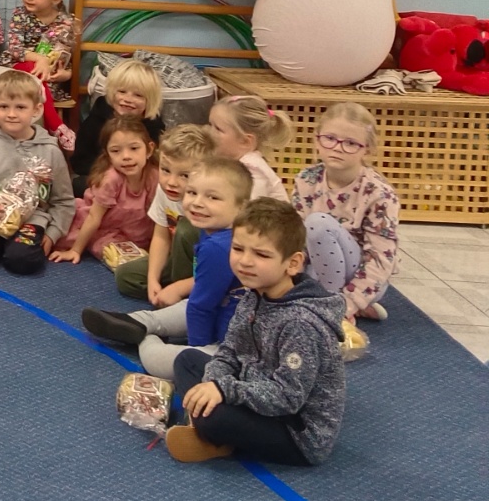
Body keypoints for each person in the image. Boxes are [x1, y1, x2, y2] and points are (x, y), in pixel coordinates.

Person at [168, 198, 347, 467]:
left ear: (292, 263)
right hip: (255, 389)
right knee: (187, 360)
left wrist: (224, 391)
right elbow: (229, 352)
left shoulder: (301, 324)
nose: (245, 262)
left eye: (261, 255)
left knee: (214, 416)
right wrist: (213, 384)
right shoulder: (254, 293)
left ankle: (210, 432)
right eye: (238, 248)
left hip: (294, 431)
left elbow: (288, 397)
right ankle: (207, 426)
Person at [83, 155, 251, 377]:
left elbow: (201, 307)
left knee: (157, 360)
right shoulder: (215, 230)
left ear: (241, 206)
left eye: (212, 197)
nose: (197, 202)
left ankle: (144, 334)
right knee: (185, 307)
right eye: (192, 192)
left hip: (232, 343)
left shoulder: (219, 247)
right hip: (220, 310)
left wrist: (195, 350)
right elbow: (202, 299)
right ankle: (138, 322)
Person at [0, 69, 74, 275]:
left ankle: (12, 247)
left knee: (23, 262)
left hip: (31, 220)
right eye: (3, 107)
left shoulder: (50, 151)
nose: (11, 114)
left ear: (36, 109)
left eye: (20, 107)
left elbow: (63, 200)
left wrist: (53, 234)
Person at [291, 101, 400, 324]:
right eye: (330, 138)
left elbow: (381, 259)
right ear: (317, 140)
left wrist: (350, 302)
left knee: (317, 224)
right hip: (316, 268)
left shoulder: (379, 194)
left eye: (350, 143)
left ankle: (334, 305)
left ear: (367, 149)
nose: (337, 148)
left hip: (362, 276)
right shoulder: (306, 179)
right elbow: (295, 239)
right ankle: (332, 301)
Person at [115, 122, 212, 303]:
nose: (171, 182)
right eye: (166, 170)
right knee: (125, 275)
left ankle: (183, 299)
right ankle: (173, 296)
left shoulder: (209, 202)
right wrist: (153, 279)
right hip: (179, 261)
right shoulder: (165, 190)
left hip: (209, 269)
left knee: (185, 228)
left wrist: (180, 288)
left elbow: (222, 264)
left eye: (184, 175)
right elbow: (161, 236)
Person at [52, 115, 156, 266]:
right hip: (105, 230)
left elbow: (160, 215)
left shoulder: (154, 176)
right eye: (116, 151)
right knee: (125, 262)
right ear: (108, 155)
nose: (126, 156)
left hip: (138, 232)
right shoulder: (111, 180)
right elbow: (94, 217)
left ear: (149, 149)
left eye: (134, 148)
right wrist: (75, 250)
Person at [70, 57, 164, 191]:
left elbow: (156, 163)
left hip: (139, 181)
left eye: (138, 95)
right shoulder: (96, 120)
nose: (128, 99)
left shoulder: (153, 126)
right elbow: (80, 161)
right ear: (112, 91)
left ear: (150, 100)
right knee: (79, 184)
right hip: (102, 177)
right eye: (122, 91)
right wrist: (109, 174)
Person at [210, 93, 293, 201]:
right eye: (210, 125)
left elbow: (248, 208)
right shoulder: (231, 163)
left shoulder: (253, 171)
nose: (209, 132)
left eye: (218, 129)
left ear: (245, 141)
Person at [6, 0, 78, 86]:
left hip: (47, 78)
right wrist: (40, 59)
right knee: (32, 73)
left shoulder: (66, 23)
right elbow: (15, 49)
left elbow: (64, 57)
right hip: (17, 73)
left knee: (42, 80)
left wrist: (66, 74)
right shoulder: (20, 15)